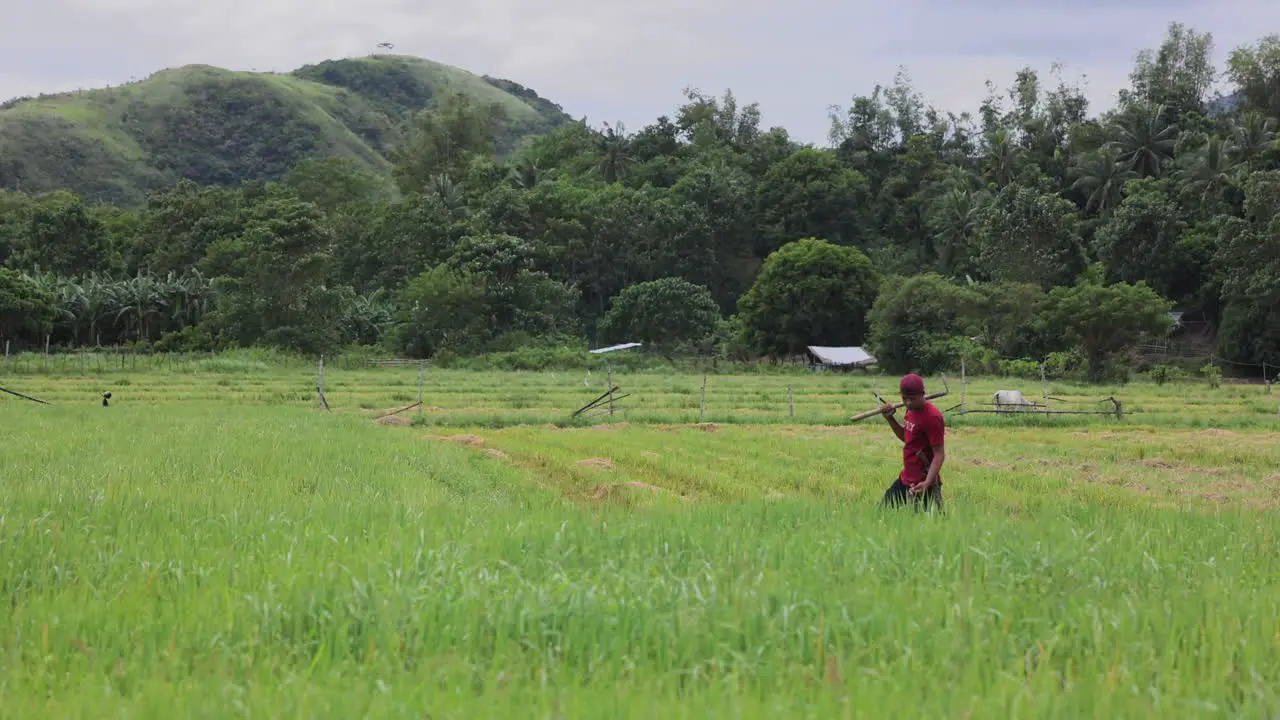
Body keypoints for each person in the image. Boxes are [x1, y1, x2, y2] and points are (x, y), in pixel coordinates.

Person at [879, 373, 945, 511]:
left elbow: (939, 454)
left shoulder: (932, 417)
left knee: (919, 524)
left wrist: (927, 482)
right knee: (882, 512)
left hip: (922, 481)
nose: (908, 403)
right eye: (904, 398)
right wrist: (890, 418)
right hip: (906, 478)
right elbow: (906, 438)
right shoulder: (910, 411)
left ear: (923, 394)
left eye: (913, 399)